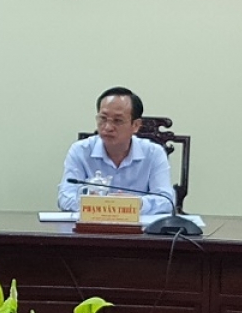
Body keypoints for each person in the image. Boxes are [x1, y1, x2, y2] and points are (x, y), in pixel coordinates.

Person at [58, 87, 175, 217]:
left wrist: (136, 204)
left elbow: (167, 200)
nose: (108, 127)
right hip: (92, 226)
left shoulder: (154, 153)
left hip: (139, 228)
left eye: (117, 121)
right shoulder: (80, 151)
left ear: (136, 125)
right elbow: (65, 198)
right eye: (103, 119)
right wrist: (95, 203)